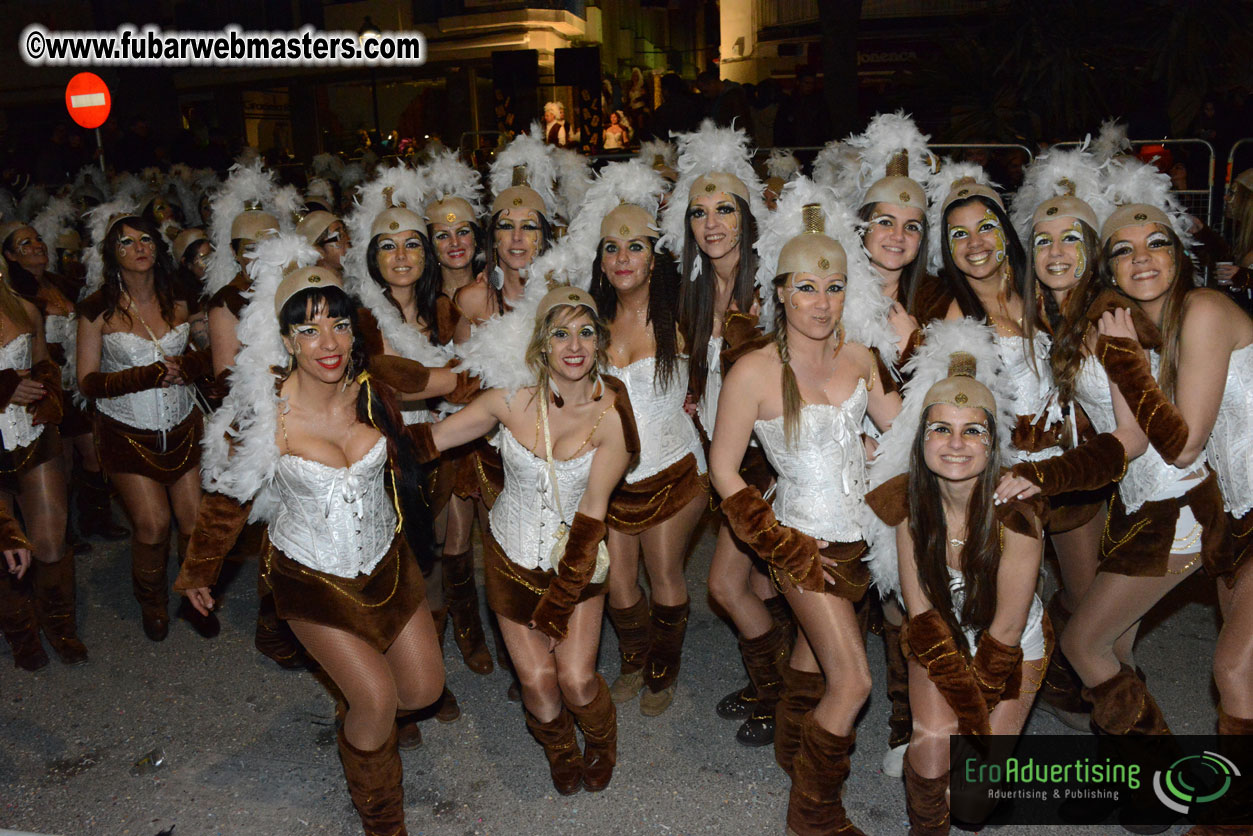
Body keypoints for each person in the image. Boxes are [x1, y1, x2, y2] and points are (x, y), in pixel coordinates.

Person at [175, 238, 445, 835]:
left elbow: (438, 391)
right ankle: (382, 815)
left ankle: (363, 720)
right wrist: (199, 570)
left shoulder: (372, 387)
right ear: (287, 340)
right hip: (310, 576)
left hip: (387, 562)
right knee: (376, 699)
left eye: (339, 326)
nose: (329, 343)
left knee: (424, 690)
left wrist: (518, 385)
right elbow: (227, 499)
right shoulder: (264, 414)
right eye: (309, 330)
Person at [712, 192, 899, 836]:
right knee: (854, 682)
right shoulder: (753, 372)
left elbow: (906, 437)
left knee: (813, 663)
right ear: (781, 293)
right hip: (800, 545)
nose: (822, 303)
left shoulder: (862, 358)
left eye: (835, 288)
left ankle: (793, 750)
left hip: (860, 541)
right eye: (807, 289)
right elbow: (724, 470)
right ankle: (813, 814)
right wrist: (776, 543)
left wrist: (878, 447)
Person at [412, 285, 636, 795]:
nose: (573, 346)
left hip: (576, 565)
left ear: (599, 343)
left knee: (576, 681)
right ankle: (560, 749)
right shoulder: (509, 401)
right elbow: (431, 441)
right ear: (541, 344)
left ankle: (602, 740)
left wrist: (559, 605)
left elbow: (592, 515)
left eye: (585, 332)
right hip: (511, 559)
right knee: (537, 682)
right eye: (560, 334)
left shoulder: (612, 419)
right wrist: (355, 434)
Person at [868, 344, 1051, 836]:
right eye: (941, 429)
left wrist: (974, 718)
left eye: (973, 430)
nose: (956, 443)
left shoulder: (1017, 515)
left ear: (992, 444)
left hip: (1009, 649)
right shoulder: (909, 504)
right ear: (921, 439)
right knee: (931, 747)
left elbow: (1006, 631)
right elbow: (923, 618)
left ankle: (995, 755)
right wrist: (957, 710)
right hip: (942, 642)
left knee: (970, 804)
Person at [658, 120, 789, 746]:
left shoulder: (769, 289)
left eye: (725, 210)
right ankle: (779, 684)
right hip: (723, 455)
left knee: (724, 584)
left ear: (747, 216)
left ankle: (779, 695)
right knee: (763, 582)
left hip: (766, 461)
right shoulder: (694, 288)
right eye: (699, 213)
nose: (711, 224)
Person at [584, 163, 708, 717]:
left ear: (654, 258)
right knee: (617, 584)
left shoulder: (681, 314)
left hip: (674, 468)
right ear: (600, 260)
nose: (622, 259)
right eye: (612, 249)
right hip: (615, 477)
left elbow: (721, 370)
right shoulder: (589, 323)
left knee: (664, 575)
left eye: (635, 247)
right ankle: (634, 659)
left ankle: (663, 668)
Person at [76, 211, 215, 641]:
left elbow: (212, 355)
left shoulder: (180, 299)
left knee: (194, 522)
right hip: (126, 433)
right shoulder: (96, 310)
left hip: (182, 427)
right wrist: (144, 376)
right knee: (153, 524)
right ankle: (152, 601)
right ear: (112, 254)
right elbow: (87, 382)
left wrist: (187, 366)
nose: (139, 248)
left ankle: (194, 594)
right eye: (126, 242)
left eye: (146, 239)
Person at [0, 258, 82, 668]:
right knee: (6, 545)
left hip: (32, 435)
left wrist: (46, 397)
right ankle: (20, 632)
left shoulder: (23, 308)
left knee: (50, 543)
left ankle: (61, 626)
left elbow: (45, 364)